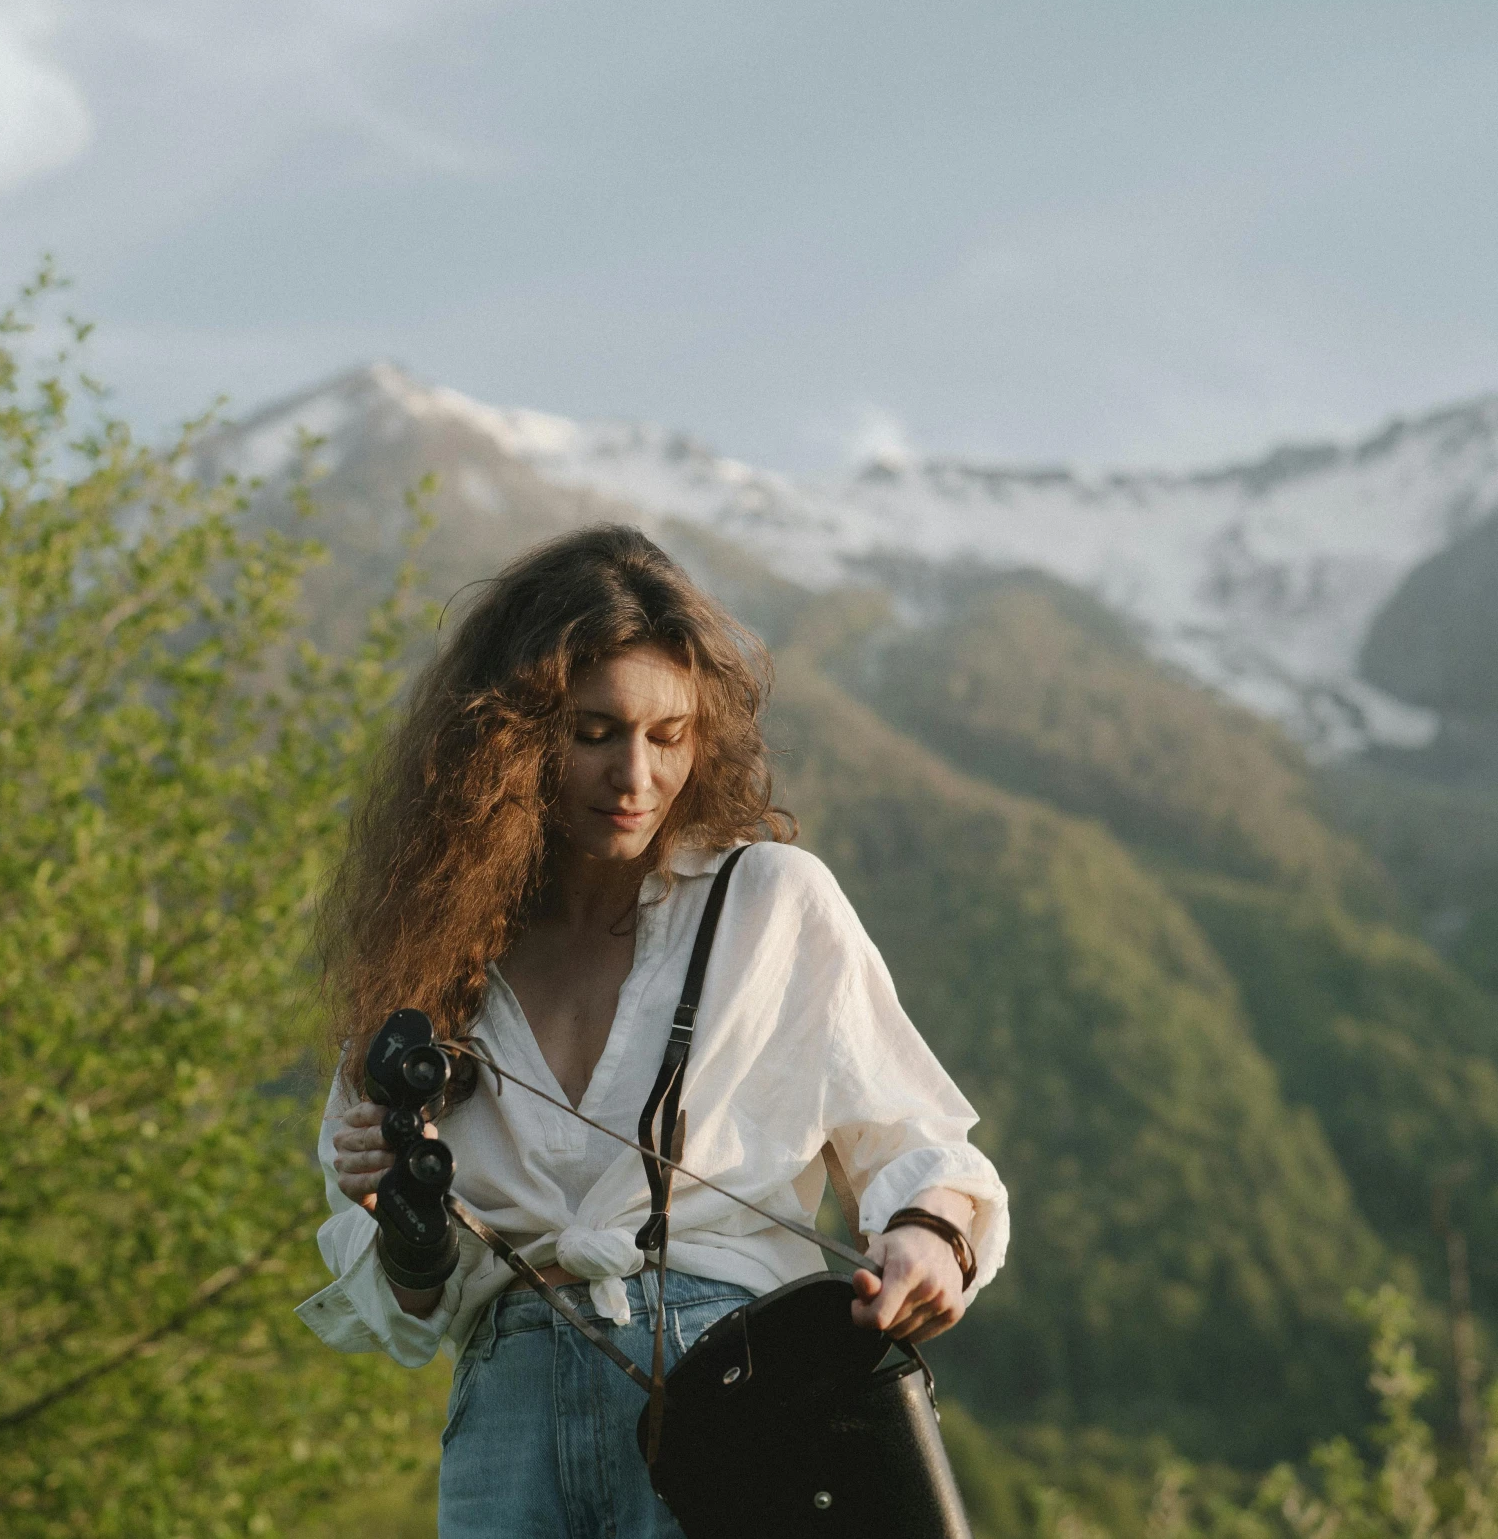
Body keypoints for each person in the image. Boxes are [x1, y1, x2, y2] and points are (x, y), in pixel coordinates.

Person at [298, 525, 1009, 1539]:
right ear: (507, 736)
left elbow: (912, 1139)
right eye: (594, 732)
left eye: (668, 736)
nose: (635, 776)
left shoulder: (769, 900)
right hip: (505, 1416)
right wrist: (396, 1212)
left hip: (735, 1402)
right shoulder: (432, 942)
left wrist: (928, 1236)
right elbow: (414, 1297)